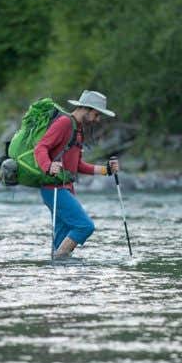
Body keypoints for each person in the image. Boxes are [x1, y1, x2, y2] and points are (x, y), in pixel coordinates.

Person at [34, 89, 120, 258]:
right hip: (54, 188)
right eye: (96, 114)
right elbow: (41, 147)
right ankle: (60, 259)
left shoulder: (78, 129)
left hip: (65, 189)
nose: (98, 119)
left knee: (61, 238)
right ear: (86, 109)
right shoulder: (64, 123)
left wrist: (105, 170)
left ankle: (58, 273)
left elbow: (77, 165)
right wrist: (48, 166)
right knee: (84, 226)